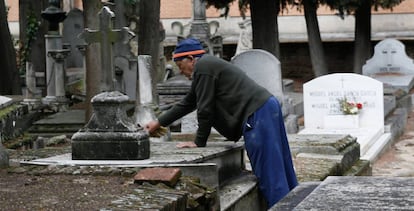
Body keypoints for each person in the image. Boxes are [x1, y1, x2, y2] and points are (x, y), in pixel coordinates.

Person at [145, 38, 298, 208]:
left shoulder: (203, 67)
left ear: (191, 58)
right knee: (281, 166)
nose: (183, 73)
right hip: (266, 106)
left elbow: (205, 109)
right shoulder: (207, 66)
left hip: (257, 112)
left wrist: (199, 141)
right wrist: (158, 123)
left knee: (269, 172)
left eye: (181, 66)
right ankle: (293, 205)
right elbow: (188, 103)